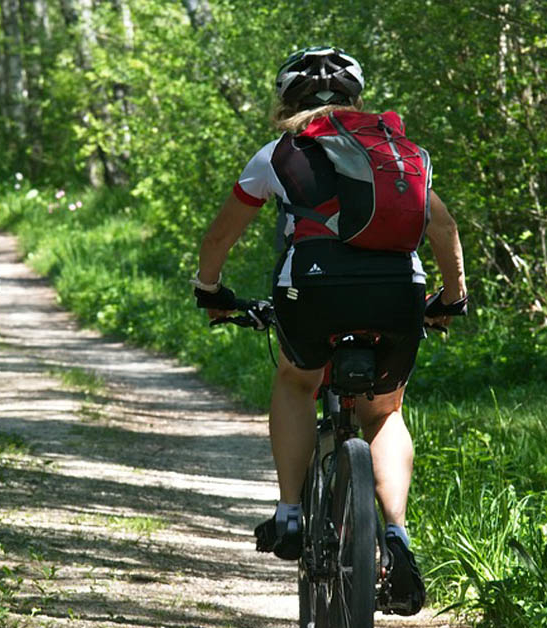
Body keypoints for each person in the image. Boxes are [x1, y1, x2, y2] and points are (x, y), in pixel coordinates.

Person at [191, 47, 467, 616]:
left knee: (296, 380)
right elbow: (442, 226)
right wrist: (452, 298)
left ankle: (291, 514)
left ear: (286, 102)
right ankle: (396, 535)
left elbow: (219, 238)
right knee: (384, 412)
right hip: (398, 292)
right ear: (355, 99)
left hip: (312, 291)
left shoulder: (277, 155)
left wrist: (210, 291)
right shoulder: (400, 153)